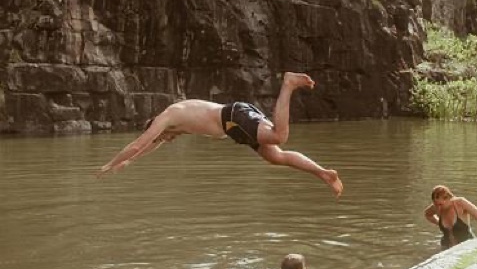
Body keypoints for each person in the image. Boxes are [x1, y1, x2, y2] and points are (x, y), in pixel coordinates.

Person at [96, 72, 343, 197]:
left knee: (279, 136)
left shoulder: (167, 117)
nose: (166, 141)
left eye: (162, 137)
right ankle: (323, 173)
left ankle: (288, 84)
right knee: (276, 156)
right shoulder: (175, 123)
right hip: (235, 126)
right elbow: (149, 146)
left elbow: (140, 143)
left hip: (234, 118)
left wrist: (111, 164)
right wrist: (129, 162)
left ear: (156, 127)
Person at [423, 185, 477, 250]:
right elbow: (427, 214)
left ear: (448, 198)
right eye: (435, 204)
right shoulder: (436, 207)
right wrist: (438, 222)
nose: (438, 208)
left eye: (440, 204)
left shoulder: (460, 203)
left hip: (466, 246)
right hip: (446, 247)